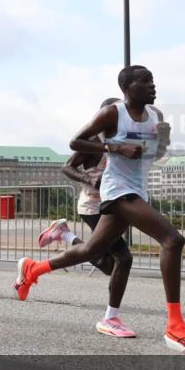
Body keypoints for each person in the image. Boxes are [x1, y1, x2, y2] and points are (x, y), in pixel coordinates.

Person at [14, 65, 185, 354]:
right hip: (116, 189)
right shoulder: (113, 113)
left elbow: (157, 154)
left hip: (137, 189)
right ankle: (175, 326)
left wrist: (164, 139)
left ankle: (33, 269)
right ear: (127, 88)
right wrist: (115, 149)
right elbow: (74, 142)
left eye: (153, 82)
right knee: (173, 239)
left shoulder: (156, 116)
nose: (153, 87)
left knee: (91, 250)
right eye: (145, 82)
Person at [37, 98, 135, 338]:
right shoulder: (92, 142)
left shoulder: (125, 139)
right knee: (122, 258)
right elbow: (67, 167)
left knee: (112, 265)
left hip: (113, 206)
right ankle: (110, 319)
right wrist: (88, 179)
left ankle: (65, 234)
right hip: (93, 207)